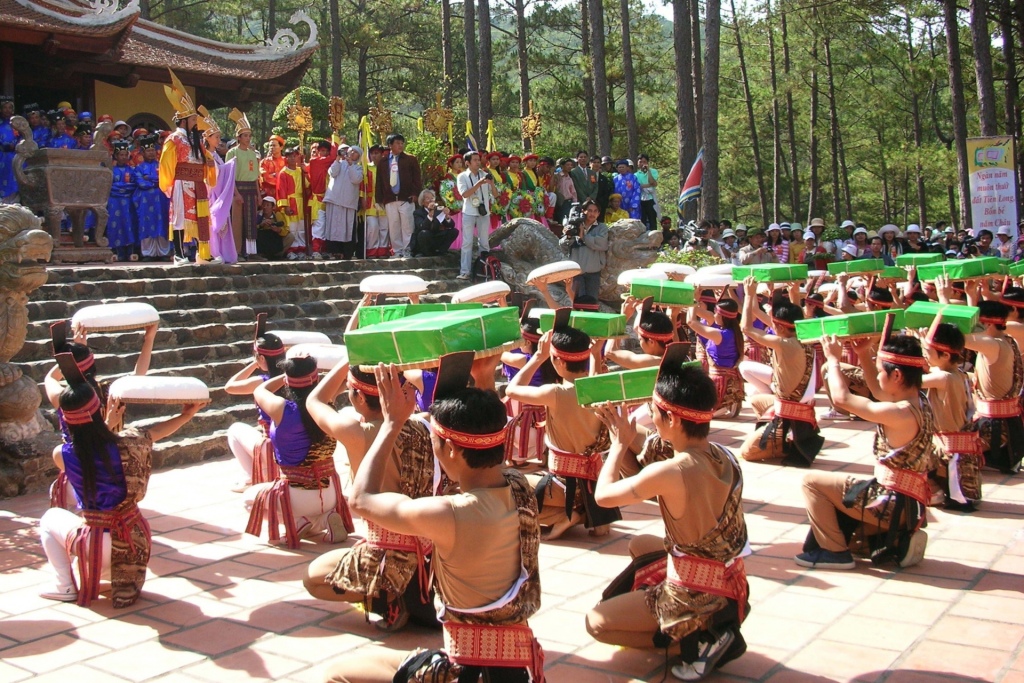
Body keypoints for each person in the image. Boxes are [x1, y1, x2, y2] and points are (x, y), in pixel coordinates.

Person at [322, 358, 545, 683]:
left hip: (468, 673)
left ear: (452, 449)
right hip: (514, 670)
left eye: (435, 440)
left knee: (338, 674)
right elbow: (486, 438)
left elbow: (360, 500)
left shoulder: (448, 514)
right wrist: (483, 379)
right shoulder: (519, 485)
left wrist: (391, 424)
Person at [585, 357, 749, 681]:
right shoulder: (722, 456)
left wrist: (616, 446)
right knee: (640, 544)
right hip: (730, 584)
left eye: (654, 410)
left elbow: (603, 496)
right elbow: (648, 450)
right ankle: (710, 629)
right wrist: (626, 431)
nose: (650, 414)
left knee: (596, 623)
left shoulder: (672, 471)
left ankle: (694, 641)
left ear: (671, 419)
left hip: (696, 595)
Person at [38, 353, 199, 605]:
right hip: (133, 540)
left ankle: (64, 586)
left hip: (95, 543)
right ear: (99, 408)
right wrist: (185, 416)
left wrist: (105, 422)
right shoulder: (130, 441)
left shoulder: (62, 454)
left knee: (50, 518)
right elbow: (154, 432)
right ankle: (112, 572)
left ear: (66, 418)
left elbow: (89, 445)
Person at [302, 360, 436, 632]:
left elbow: (314, 400)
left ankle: (385, 598)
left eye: (352, 391)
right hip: (430, 555)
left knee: (312, 579)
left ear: (360, 397)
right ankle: (397, 596)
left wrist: (348, 358)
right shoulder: (424, 424)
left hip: (386, 554)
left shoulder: (356, 433)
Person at [798, 329, 933, 569]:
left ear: (898, 375)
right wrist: (864, 354)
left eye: (882, 371)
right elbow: (880, 393)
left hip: (891, 503)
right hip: (909, 503)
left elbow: (842, 400)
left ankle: (834, 551)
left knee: (811, 481)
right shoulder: (919, 401)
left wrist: (833, 361)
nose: (878, 375)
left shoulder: (900, 413)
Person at [505, 319, 620, 540]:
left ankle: (564, 516)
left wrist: (538, 357)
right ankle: (584, 513)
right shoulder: (598, 389)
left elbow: (512, 390)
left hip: (563, 488)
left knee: (505, 484)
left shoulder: (556, 393)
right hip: (594, 484)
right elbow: (592, 377)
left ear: (558, 361)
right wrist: (596, 354)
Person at [244, 356, 354, 547]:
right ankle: (327, 517)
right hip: (331, 494)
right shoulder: (328, 402)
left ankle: (297, 522)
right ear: (316, 379)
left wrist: (285, 376)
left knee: (249, 500)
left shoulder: (280, 408)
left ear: (287, 381)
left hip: (296, 496)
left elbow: (260, 390)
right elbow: (344, 380)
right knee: (316, 507)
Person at [737, 278, 823, 466]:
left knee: (746, 453)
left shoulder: (785, 344)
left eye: (774, 325)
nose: (772, 327)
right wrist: (794, 292)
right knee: (755, 400)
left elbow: (746, 328)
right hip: (796, 403)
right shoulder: (805, 334)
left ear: (781, 327)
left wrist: (750, 294)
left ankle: (782, 441)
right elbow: (797, 314)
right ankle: (775, 437)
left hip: (792, 413)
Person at [158, 71, 219, 266]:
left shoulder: (197, 141)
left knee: (202, 218)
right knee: (180, 218)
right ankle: (178, 254)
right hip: (181, 182)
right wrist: (169, 185)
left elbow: (207, 159)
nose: (196, 123)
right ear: (184, 120)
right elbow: (166, 164)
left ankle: (204, 254)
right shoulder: (173, 139)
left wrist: (209, 165)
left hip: (198, 183)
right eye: (193, 120)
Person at [920, 318, 980, 510]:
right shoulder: (958, 374)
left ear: (945, 355)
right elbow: (934, 368)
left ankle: (935, 490)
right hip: (959, 448)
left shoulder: (943, 377)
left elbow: (907, 381)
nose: (925, 356)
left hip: (947, 451)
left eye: (928, 353)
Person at [225, 318, 286, 491]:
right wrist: (260, 358)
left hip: (271, 449)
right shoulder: (293, 377)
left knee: (235, 430)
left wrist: (255, 362)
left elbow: (229, 386)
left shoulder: (262, 382)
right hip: (294, 447)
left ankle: (250, 478)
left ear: (261, 358)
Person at [200, 108, 238, 264]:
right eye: (216, 137)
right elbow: (208, 174)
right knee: (212, 222)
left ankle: (224, 252)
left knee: (222, 223)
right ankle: (213, 252)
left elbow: (219, 170)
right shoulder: (204, 155)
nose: (219, 140)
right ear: (208, 138)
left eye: (219, 137)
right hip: (210, 193)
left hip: (218, 193)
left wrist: (228, 165)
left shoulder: (215, 155)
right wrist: (228, 166)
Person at [375, 133, 421, 258]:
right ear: (390, 145)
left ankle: (407, 250)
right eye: (397, 143)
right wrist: (379, 199)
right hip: (389, 199)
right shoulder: (383, 161)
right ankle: (397, 250)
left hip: (406, 198)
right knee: (393, 226)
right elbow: (378, 181)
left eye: (402, 143)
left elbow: (417, 179)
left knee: (407, 225)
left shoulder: (410, 159)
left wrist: (415, 194)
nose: (400, 145)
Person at [226, 109, 261, 259]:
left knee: (251, 221)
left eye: (249, 135)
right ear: (238, 137)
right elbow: (230, 176)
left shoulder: (253, 154)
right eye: (245, 136)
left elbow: (255, 177)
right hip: (238, 189)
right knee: (237, 222)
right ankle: (238, 251)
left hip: (251, 190)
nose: (248, 138)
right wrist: (236, 193)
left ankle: (251, 252)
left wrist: (259, 195)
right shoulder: (232, 153)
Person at [455, 150, 496, 280]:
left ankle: (485, 271)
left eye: (479, 160)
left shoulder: (485, 174)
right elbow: (465, 194)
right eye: (475, 160)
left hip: (484, 212)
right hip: (469, 212)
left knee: (484, 242)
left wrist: (491, 184)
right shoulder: (462, 176)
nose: (478, 162)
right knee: (467, 242)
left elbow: (495, 195)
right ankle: (465, 272)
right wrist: (479, 183)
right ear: (467, 163)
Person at [132, 134, 172, 261]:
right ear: (143, 153)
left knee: (162, 224)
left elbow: (165, 180)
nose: (151, 153)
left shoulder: (161, 166)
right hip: (145, 202)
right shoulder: (138, 168)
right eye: (148, 151)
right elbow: (140, 183)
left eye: (152, 150)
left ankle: (163, 252)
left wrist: (148, 178)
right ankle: (148, 253)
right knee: (146, 225)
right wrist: (155, 181)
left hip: (161, 201)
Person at [559, 198, 608, 301]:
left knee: (592, 302)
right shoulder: (574, 225)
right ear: (583, 211)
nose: (592, 214)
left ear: (599, 213)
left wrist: (583, 236)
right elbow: (563, 247)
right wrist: (568, 236)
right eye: (589, 210)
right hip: (576, 273)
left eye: (595, 211)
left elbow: (602, 244)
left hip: (593, 272)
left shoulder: (601, 228)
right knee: (576, 302)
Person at [320, 144, 363, 259]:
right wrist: (338, 159)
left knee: (346, 230)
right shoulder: (339, 163)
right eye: (350, 151)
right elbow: (332, 173)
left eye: (355, 152)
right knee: (333, 228)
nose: (352, 153)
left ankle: (347, 252)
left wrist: (350, 165)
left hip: (348, 203)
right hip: (334, 200)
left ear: (359, 156)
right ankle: (333, 252)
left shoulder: (358, 167)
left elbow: (356, 179)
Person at [307, 140, 340, 257]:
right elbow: (334, 157)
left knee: (329, 226)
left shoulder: (330, 162)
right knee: (319, 225)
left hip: (330, 199)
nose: (324, 153)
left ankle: (325, 250)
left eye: (326, 151)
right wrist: (335, 141)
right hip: (318, 199)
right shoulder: (315, 161)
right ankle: (316, 250)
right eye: (322, 151)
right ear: (318, 151)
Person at [106, 140, 138, 262]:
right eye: (121, 155)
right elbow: (108, 186)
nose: (123, 157)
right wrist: (123, 187)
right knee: (115, 225)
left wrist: (119, 187)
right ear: (115, 156)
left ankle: (130, 251)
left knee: (129, 224)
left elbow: (134, 185)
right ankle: (116, 251)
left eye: (125, 154)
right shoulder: (111, 171)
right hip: (114, 202)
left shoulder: (132, 170)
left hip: (128, 202)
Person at [276, 147, 310, 260]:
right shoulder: (283, 173)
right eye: (290, 156)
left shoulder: (300, 171)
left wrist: (305, 172)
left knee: (301, 227)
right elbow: (281, 191)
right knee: (292, 228)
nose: (292, 158)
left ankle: (301, 248)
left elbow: (307, 186)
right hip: (291, 202)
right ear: (286, 158)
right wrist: (285, 206)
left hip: (300, 202)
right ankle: (291, 250)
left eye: (294, 156)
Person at [411, 188, 458, 257]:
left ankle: (441, 251)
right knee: (424, 233)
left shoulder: (438, 210)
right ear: (422, 202)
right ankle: (426, 253)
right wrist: (430, 214)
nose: (430, 200)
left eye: (432, 198)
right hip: (425, 237)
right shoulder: (418, 212)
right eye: (427, 198)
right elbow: (422, 226)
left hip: (436, 236)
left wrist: (447, 216)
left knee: (454, 231)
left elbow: (451, 225)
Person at [635, 154, 659, 231]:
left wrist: (648, 171)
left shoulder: (653, 171)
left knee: (652, 218)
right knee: (643, 219)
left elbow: (653, 182)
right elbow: (639, 186)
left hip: (651, 198)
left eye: (644, 162)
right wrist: (649, 185)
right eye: (640, 162)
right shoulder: (636, 175)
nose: (642, 164)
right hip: (640, 199)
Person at [0, 97, 18, 203]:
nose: (7, 110)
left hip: (15, 156)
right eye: (4, 107)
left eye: (10, 108)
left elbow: (23, 138)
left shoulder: (17, 124)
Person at [260, 134, 286, 198]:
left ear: (281, 147)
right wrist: (280, 180)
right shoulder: (264, 162)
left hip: (284, 193)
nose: (272, 147)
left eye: (274, 145)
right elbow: (265, 177)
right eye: (270, 145)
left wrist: (274, 175)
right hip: (269, 194)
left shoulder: (286, 161)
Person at [555, 157, 578, 224]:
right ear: (562, 166)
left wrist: (575, 202)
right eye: (567, 165)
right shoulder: (557, 176)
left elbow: (573, 191)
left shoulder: (569, 178)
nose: (569, 167)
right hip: (560, 202)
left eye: (571, 165)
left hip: (568, 202)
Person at [593, 156, 614, 220]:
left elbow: (606, 193)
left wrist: (603, 203)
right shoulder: (586, 176)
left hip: (601, 205)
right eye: (594, 162)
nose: (596, 164)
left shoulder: (604, 178)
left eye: (598, 162)